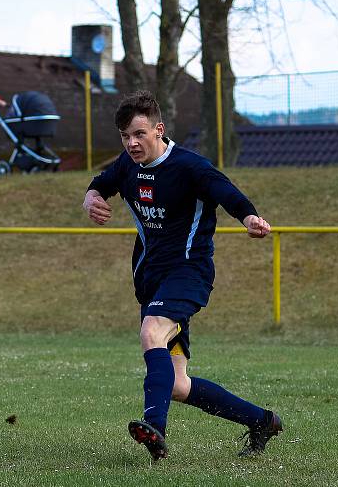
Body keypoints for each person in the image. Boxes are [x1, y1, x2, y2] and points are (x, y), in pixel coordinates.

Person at [82, 91, 283, 461]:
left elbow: (226, 192)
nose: (132, 143)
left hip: (188, 273)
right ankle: (262, 421)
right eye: (125, 136)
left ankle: (154, 429)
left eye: (140, 134)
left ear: (159, 129)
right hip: (151, 280)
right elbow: (102, 181)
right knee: (176, 384)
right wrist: (91, 197)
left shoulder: (190, 167)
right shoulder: (127, 165)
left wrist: (249, 217)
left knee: (151, 332)